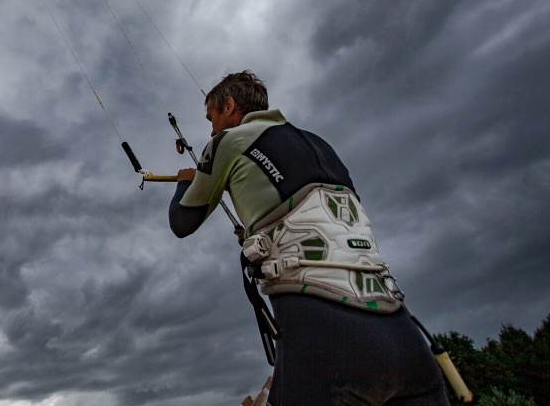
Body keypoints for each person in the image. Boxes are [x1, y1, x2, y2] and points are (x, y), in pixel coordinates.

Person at [169, 70, 449, 406]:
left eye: (211, 117)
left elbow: (182, 222)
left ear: (229, 106)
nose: (210, 128)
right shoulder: (320, 144)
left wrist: (185, 181)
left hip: (326, 341)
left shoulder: (226, 142)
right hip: (408, 343)